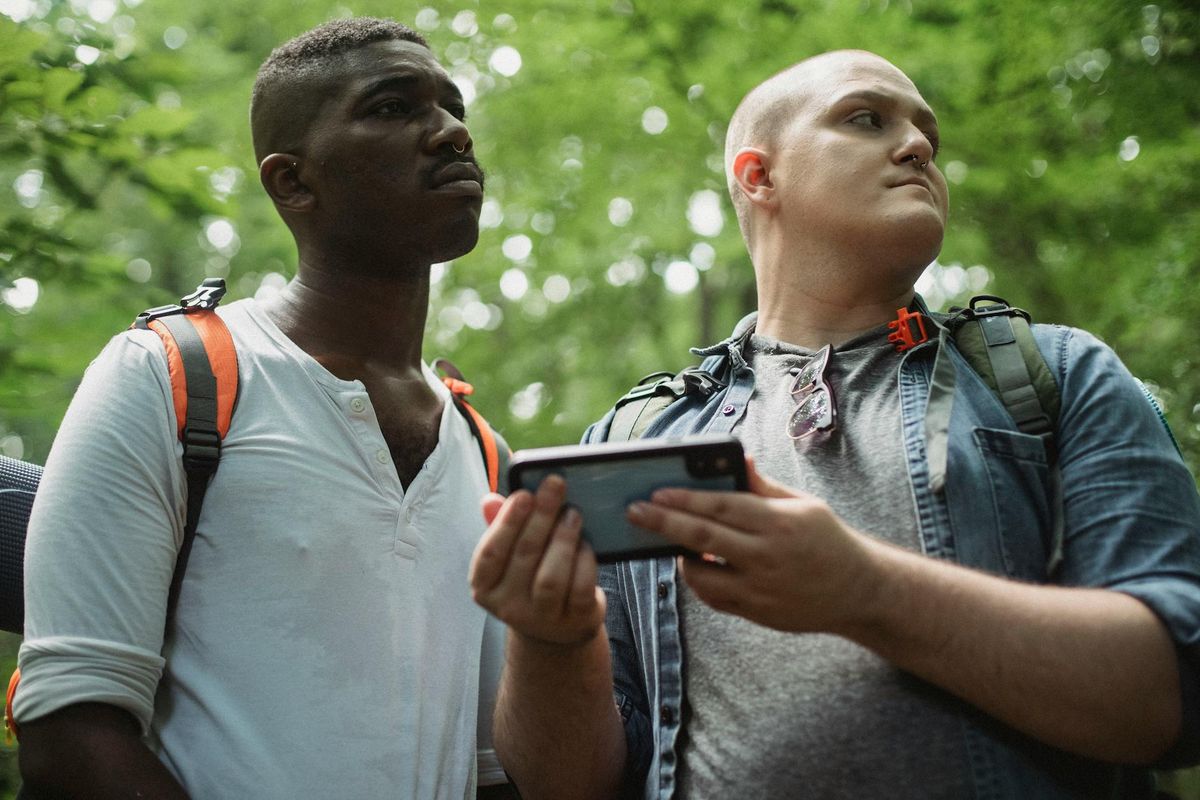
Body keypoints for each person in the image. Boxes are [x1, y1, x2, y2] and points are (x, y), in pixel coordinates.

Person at [469, 49, 1200, 799]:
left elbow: (1175, 691)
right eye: (866, 119)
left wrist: (865, 591)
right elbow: (569, 785)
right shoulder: (637, 440)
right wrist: (550, 640)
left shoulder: (1054, 374)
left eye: (928, 136)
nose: (917, 147)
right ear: (760, 176)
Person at [15, 17, 511, 799]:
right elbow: (68, 735)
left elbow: (494, 771)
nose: (452, 132)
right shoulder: (167, 378)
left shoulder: (486, 457)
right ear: (292, 183)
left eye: (454, 107)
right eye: (392, 107)